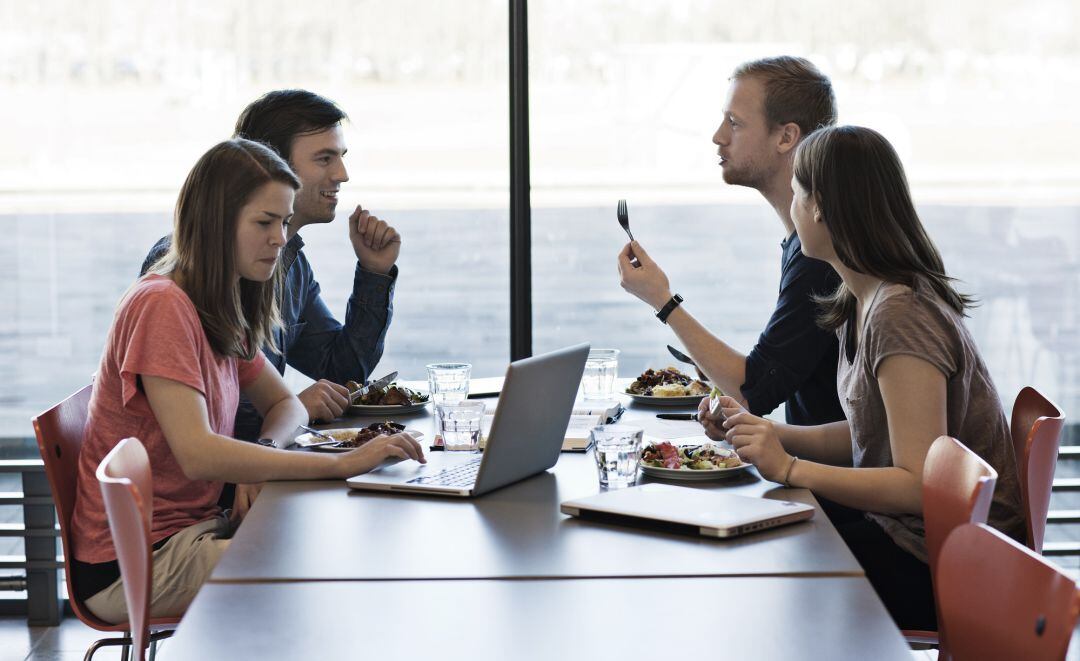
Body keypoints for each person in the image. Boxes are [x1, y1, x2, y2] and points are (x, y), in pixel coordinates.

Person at [73, 139, 425, 624]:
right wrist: (344, 462)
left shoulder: (217, 301)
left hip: (193, 531)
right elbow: (199, 454)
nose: (280, 239)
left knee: (322, 540)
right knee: (322, 559)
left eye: (283, 222)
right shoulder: (162, 305)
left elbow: (287, 405)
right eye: (265, 222)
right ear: (216, 223)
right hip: (136, 561)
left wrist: (263, 454)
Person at [714, 125, 1024, 630]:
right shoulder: (862, 298)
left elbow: (918, 484)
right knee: (766, 549)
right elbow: (872, 433)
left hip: (948, 564)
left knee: (768, 570)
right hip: (918, 539)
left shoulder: (900, 314)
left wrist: (790, 468)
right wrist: (767, 434)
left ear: (820, 207)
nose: (792, 207)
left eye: (796, 193)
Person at [142, 90, 400, 440]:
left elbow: (343, 372)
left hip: (248, 460)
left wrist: (374, 273)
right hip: (203, 469)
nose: (343, 174)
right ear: (268, 163)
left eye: (341, 157)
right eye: (325, 159)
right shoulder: (185, 267)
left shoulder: (290, 263)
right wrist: (294, 408)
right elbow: (208, 419)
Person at [618, 56, 845, 428]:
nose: (718, 136)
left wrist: (663, 300)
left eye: (735, 123)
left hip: (823, 468)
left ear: (786, 137)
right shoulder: (806, 240)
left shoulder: (820, 254)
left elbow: (751, 390)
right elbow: (768, 376)